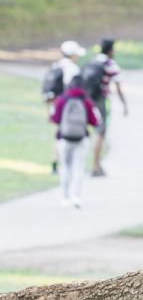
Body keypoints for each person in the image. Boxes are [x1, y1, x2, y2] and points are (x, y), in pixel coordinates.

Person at [50, 75, 100, 208]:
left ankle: (65, 197)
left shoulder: (62, 99)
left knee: (65, 167)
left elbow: (54, 119)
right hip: (81, 139)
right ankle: (77, 197)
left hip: (63, 139)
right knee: (79, 168)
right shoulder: (86, 101)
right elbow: (94, 121)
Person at [86, 38, 128, 177]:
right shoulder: (110, 64)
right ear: (110, 50)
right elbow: (118, 86)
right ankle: (95, 166)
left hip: (87, 100)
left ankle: (93, 164)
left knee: (90, 132)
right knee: (100, 133)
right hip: (101, 100)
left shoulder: (93, 61)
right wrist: (124, 105)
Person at [45, 40, 87, 175]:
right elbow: (73, 91)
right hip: (66, 107)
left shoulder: (56, 66)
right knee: (66, 135)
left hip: (54, 105)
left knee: (58, 134)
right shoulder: (72, 69)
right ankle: (64, 164)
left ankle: (55, 164)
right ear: (73, 55)